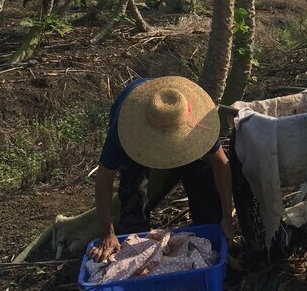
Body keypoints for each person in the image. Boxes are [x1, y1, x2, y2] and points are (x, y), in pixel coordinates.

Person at [89, 76, 234, 262]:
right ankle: (136, 249)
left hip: (186, 134)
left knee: (201, 178)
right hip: (139, 142)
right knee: (133, 191)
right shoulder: (125, 129)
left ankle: (208, 232)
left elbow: (221, 164)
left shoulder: (198, 123)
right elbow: (104, 178)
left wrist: (226, 217)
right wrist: (107, 233)